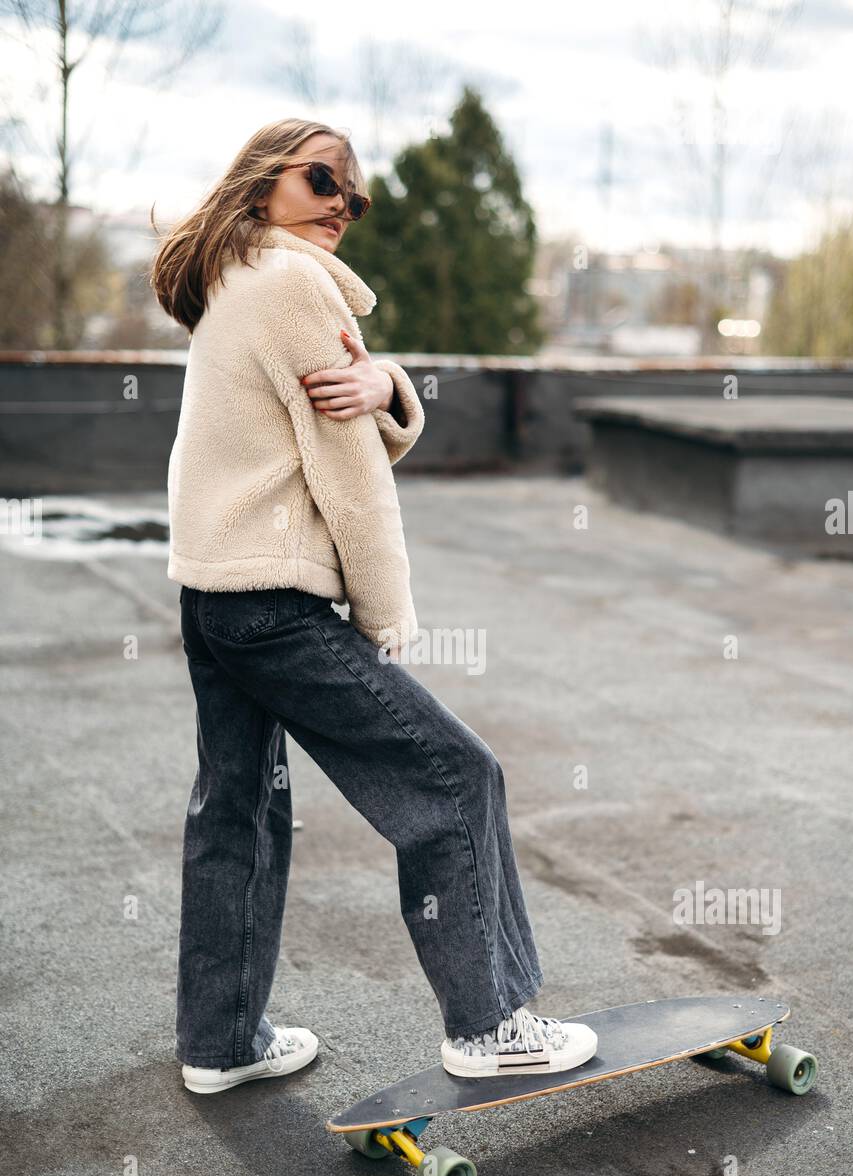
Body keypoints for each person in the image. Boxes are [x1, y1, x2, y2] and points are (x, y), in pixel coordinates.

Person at [150, 117, 598, 1096]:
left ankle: (219, 1041)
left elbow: (312, 416)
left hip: (213, 596)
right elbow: (348, 470)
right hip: (275, 603)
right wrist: (385, 612)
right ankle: (489, 1026)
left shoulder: (233, 279)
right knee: (454, 779)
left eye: (354, 194)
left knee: (236, 812)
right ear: (265, 179)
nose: (341, 205)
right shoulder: (296, 285)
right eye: (323, 180)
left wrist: (386, 380)